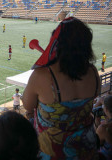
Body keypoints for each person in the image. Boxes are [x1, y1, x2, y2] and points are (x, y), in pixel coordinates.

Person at [22, 17, 101, 159]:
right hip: (86, 149)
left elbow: (28, 105)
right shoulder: (93, 72)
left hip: (52, 152)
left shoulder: (42, 76)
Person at [96, 95, 112, 160]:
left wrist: (96, 124)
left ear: (105, 109)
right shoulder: (107, 122)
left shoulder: (103, 128)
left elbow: (95, 145)